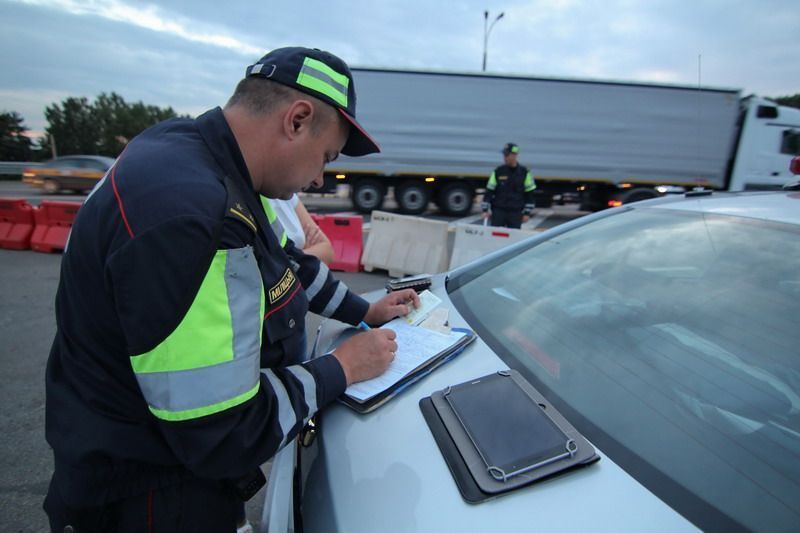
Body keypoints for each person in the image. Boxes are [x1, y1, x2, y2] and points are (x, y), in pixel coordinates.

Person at [43, 46, 420, 532]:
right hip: (150, 500)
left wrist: (363, 313)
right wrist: (342, 368)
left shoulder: (199, 157)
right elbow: (225, 430)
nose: (319, 177)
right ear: (297, 120)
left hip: (144, 462)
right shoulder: (195, 219)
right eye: (325, 157)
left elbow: (288, 262)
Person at [267, 193, 335, 264]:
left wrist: (294, 258)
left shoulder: (289, 195)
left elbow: (328, 252)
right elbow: (273, 262)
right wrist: (306, 252)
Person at [481, 142, 537, 228]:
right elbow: (489, 191)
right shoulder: (498, 171)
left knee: (514, 240)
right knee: (494, 239)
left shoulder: (525, 173)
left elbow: (530, 195)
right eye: (504, 155)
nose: (504, 157)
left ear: (514, 155)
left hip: (515, 213)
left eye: (507, 155)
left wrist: (527, 213)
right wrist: (484, 210)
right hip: (498, 211)